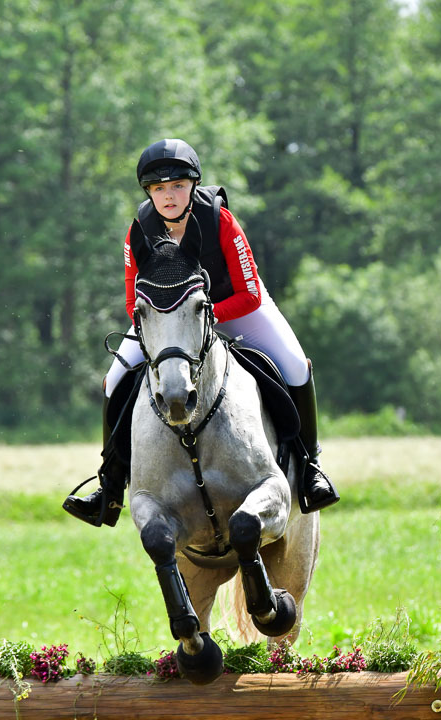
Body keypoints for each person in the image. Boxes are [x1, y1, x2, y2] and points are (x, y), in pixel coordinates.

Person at [63, 138, 339, 526]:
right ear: (148, 193)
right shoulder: (139, 230)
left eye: (177, 185)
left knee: (295, 366)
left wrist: (205, 319)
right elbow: (132, 303)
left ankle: (310, 470)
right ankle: (109, 487)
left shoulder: (218, 219)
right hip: (169, 319)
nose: (168, 196)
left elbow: (249, 293)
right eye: (158, 188)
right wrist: (169, 324)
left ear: (193, 185)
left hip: (237, 307)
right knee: (113, 380)